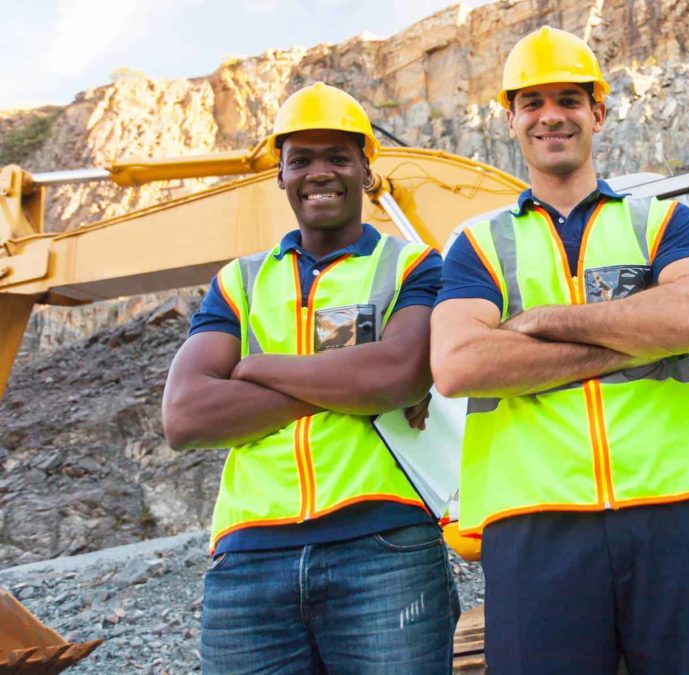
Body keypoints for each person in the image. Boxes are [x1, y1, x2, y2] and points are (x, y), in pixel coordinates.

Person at [430, 26, 689, 675]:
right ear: (512, 120)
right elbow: (460, 362)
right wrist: (634, 335)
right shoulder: (479, 245)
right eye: (533, 101)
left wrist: (543, 321)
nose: (552, 115)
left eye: (570, 99)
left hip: (679, 508)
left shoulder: (662, 221)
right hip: (534, 525)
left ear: (598, 111)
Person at [161, 82, 459, 674]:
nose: (318, 173)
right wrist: (346, 385)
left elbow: (398, 375)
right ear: (280, 175)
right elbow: (186, 416)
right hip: (247, 559)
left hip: (385, 545)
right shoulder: (239, 281)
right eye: (300, 160)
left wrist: (255, 368)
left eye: (337, 157)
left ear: (366, 170)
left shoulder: (413, 265)